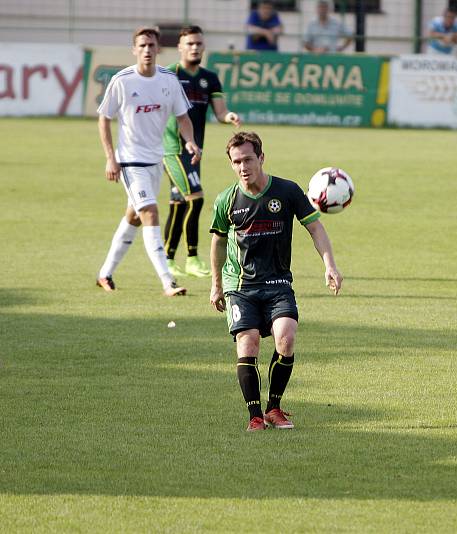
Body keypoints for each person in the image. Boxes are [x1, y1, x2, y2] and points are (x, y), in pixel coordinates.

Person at [209, 131, 343, 432]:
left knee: (286, 337)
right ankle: (255, 415)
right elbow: (217, 243)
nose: (243, 167)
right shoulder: (226, 200)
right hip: (240, 286)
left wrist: (329, 265)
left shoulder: (287, 191)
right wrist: (216, 284)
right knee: (249, 341)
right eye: (236, 162)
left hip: (278, 283)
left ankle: (274, 408)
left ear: (261, 158)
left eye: (247, 159)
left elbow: (316, 229)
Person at [96, 27, 199, 296]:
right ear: (134, 50)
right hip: (130, 162)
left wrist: (189, 141)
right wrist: (111, 159)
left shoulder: (168, 80)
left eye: (151, 45)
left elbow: (183, 117)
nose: (147, 50)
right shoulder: (123, 80)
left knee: (134, 217)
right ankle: (168, 281)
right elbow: (104, 118)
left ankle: (105, 273)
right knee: (150, 213)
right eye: (141, 46)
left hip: (156, 160)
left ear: (158, 49)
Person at [162, 26, 241, 279]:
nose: (194, 47)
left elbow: (219, 112)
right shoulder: (169, 74)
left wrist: (228, 116)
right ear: (180, 47)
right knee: (195, 198)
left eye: (198, 43)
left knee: (179, 204)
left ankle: (168, 259)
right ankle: (193, 258)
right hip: (172, 149)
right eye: (189, 43)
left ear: (203, 46)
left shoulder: (210, 78)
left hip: (196, 150)